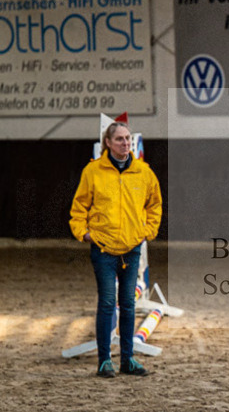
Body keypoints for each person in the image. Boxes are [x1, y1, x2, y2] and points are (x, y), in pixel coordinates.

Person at [69, 120, 162, 378]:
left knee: (128, 305)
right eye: (119, 139)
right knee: (108, 303)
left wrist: (148, 231)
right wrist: (83, 233)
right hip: (103, 249)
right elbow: (79, 207)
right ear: (107, 143)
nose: (125, 143)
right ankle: (103, 361)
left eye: (128, 138)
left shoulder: (144, 172)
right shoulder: (93, 172)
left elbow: (155, 204)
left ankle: (128, 360)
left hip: (132, 249)